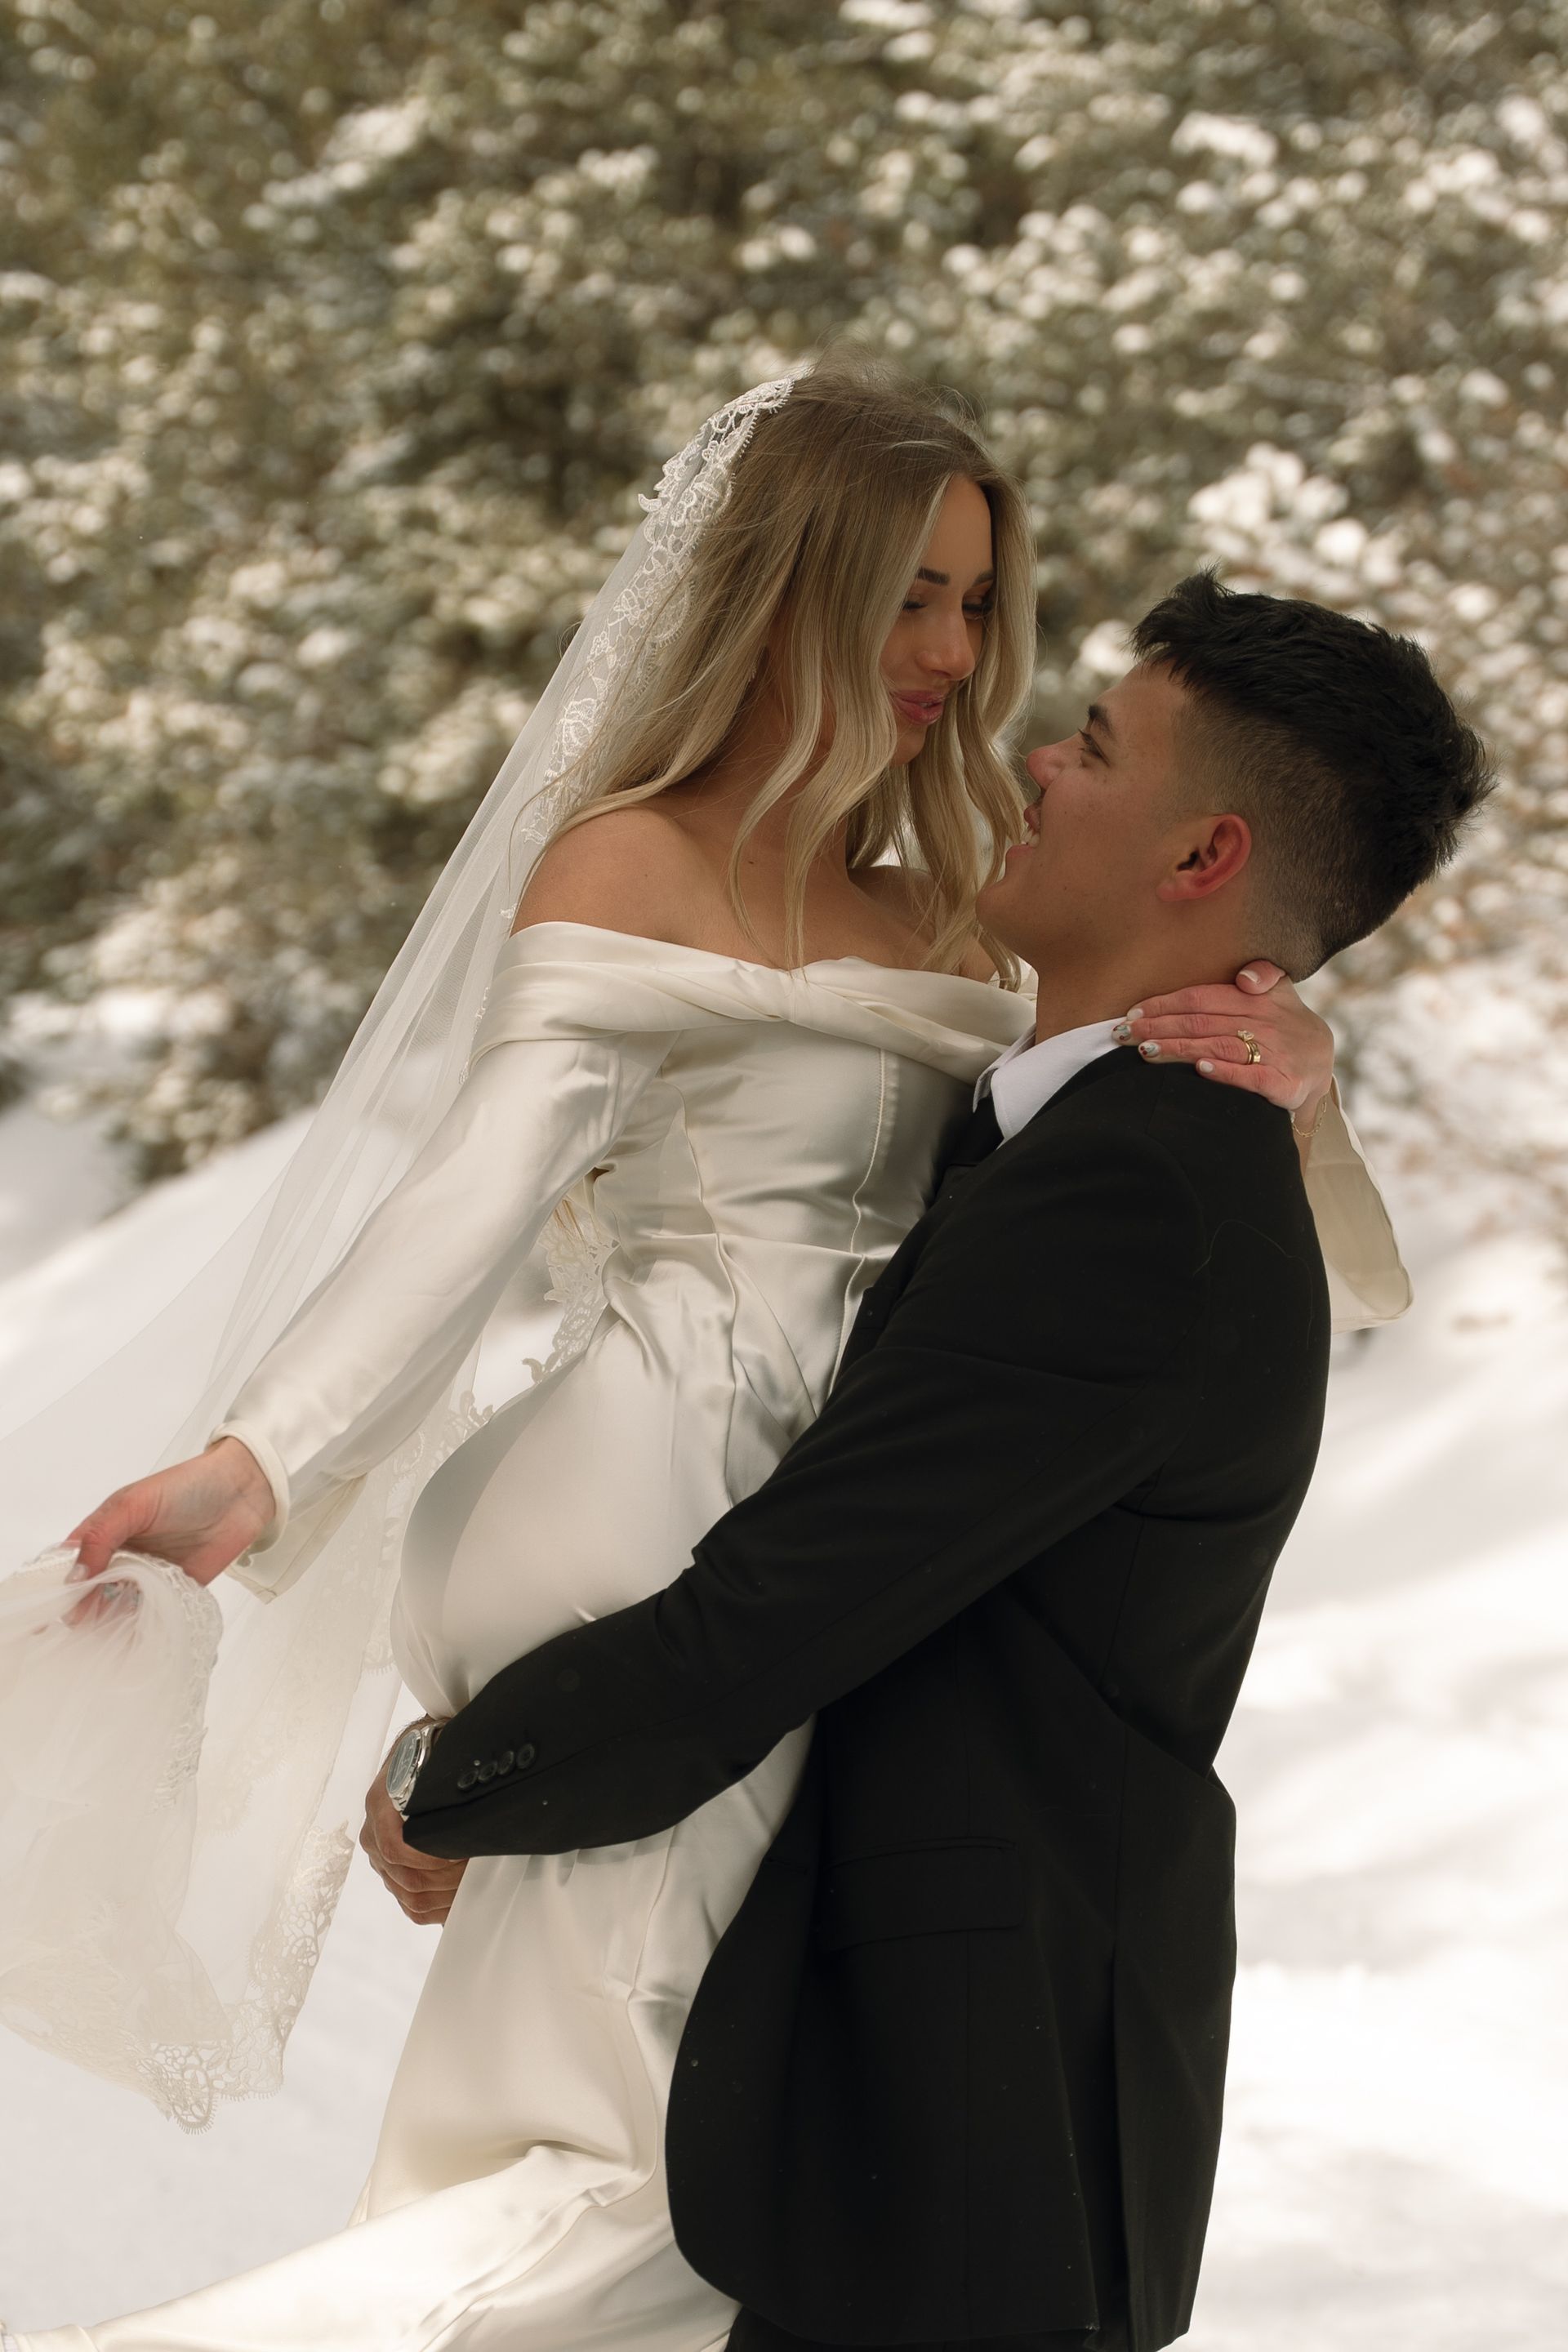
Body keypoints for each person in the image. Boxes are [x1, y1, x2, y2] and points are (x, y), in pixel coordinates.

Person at [2, 358, 1400, 2350]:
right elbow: (473, 1200)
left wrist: (1305, 1062)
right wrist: (261, 1463)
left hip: (797, 1499)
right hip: (667, 1482)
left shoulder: (961, 917)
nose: (951, 650)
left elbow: (1106, 1095)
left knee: (664, 2115)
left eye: (982, 600)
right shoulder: (636, 863)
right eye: (904, 593)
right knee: (644, 2157)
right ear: (783, 593)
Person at [355, 572, 1491, 2352]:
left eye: (1098, 746)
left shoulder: (1140, 1192)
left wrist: (455, 1781)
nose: (1038, 759)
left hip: (969, 2121)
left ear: (1200, 860)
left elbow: (780, 1613)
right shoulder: (1083, 1125)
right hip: (921, 2089)